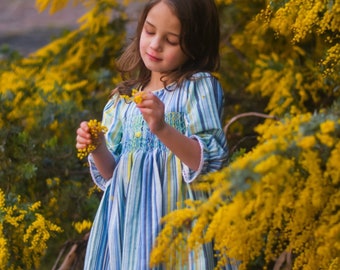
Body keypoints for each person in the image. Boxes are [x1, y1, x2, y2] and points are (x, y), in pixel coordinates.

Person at [76, 0, 234, 269]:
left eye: (171, 40)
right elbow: (112, 175)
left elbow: (210, 161)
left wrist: (162, 129)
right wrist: (97, 146)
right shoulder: (122, 100)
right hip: (129, 225)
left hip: (180, 223)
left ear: (195, 45)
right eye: (149, 31)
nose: (155, 45)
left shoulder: (197, 87)